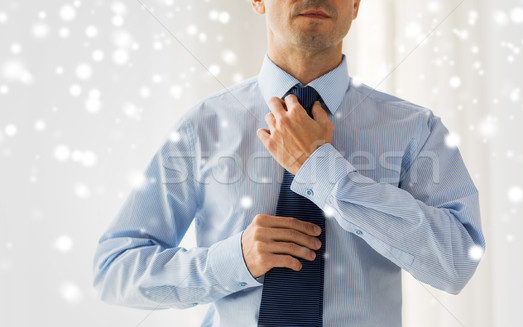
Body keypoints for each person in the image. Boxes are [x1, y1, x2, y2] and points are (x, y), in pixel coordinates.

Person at [93, 0, 486, 326]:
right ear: (258, 1)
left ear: (355, 4)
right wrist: (235, 260)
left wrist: (320, 168)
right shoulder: (204, 127)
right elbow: (115, 270)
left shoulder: (415, 130)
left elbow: (455, 263)